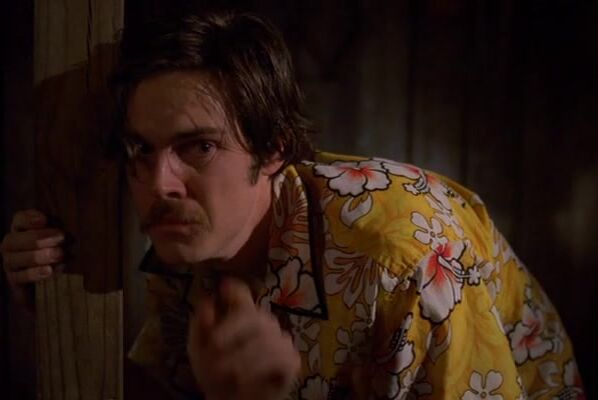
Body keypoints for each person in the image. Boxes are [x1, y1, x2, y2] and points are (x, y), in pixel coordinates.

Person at [1, 10, 585, 400]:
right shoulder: (190, 242)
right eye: (140, 150)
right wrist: (57, 311)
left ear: (274, 150)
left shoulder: (403, 256)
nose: (160, 184)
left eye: (198, 147)